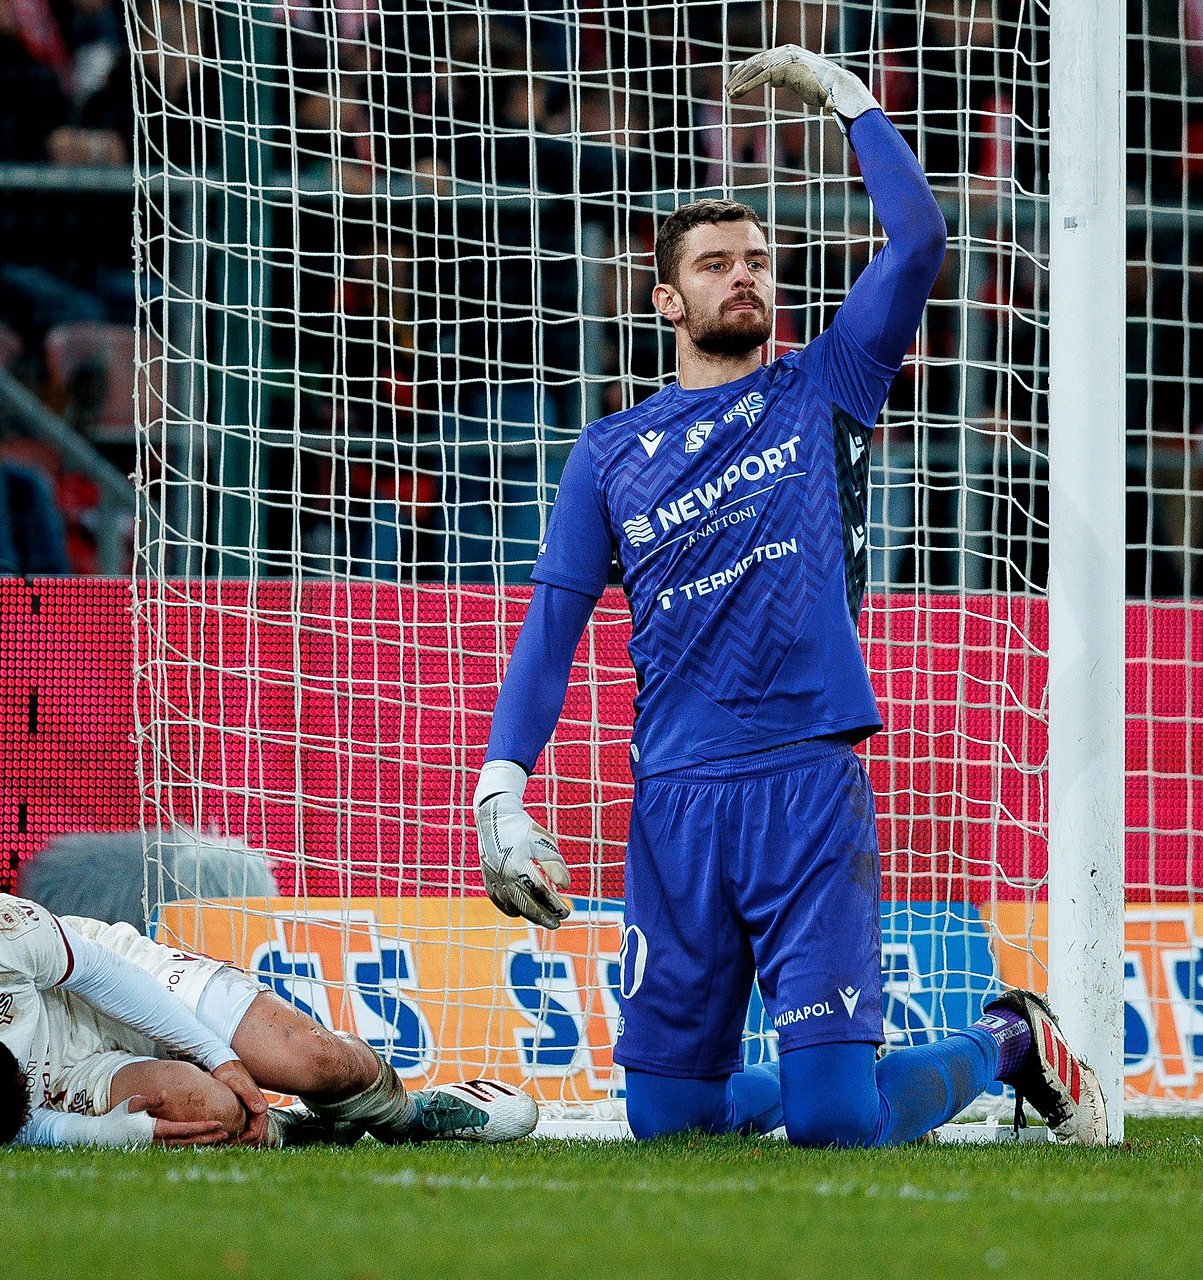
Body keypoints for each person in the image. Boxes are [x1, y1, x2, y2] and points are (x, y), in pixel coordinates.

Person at [472, 45, 1109, 1148]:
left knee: (832, 1122)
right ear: (667, 296)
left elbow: (918, 243)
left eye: (758, 260)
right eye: (716, 263)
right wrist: (500, 793)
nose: (745, 276)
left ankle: (1007, 1041)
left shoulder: (822, 388)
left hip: (807, 784)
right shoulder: (609, 453)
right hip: (672, 802)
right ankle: (845, 1068)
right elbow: (552, 629)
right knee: (669, 1123)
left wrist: (847, 98)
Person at [0, 892, 541, 1148]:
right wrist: (108, 1135)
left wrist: (218, 1054)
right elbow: (6, 1127)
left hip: (93, 986)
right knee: (212, 1116)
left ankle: (406, 1115)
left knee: (317, 1060)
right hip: (62, 1082)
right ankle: (302, 1130)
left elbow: (99, 972)